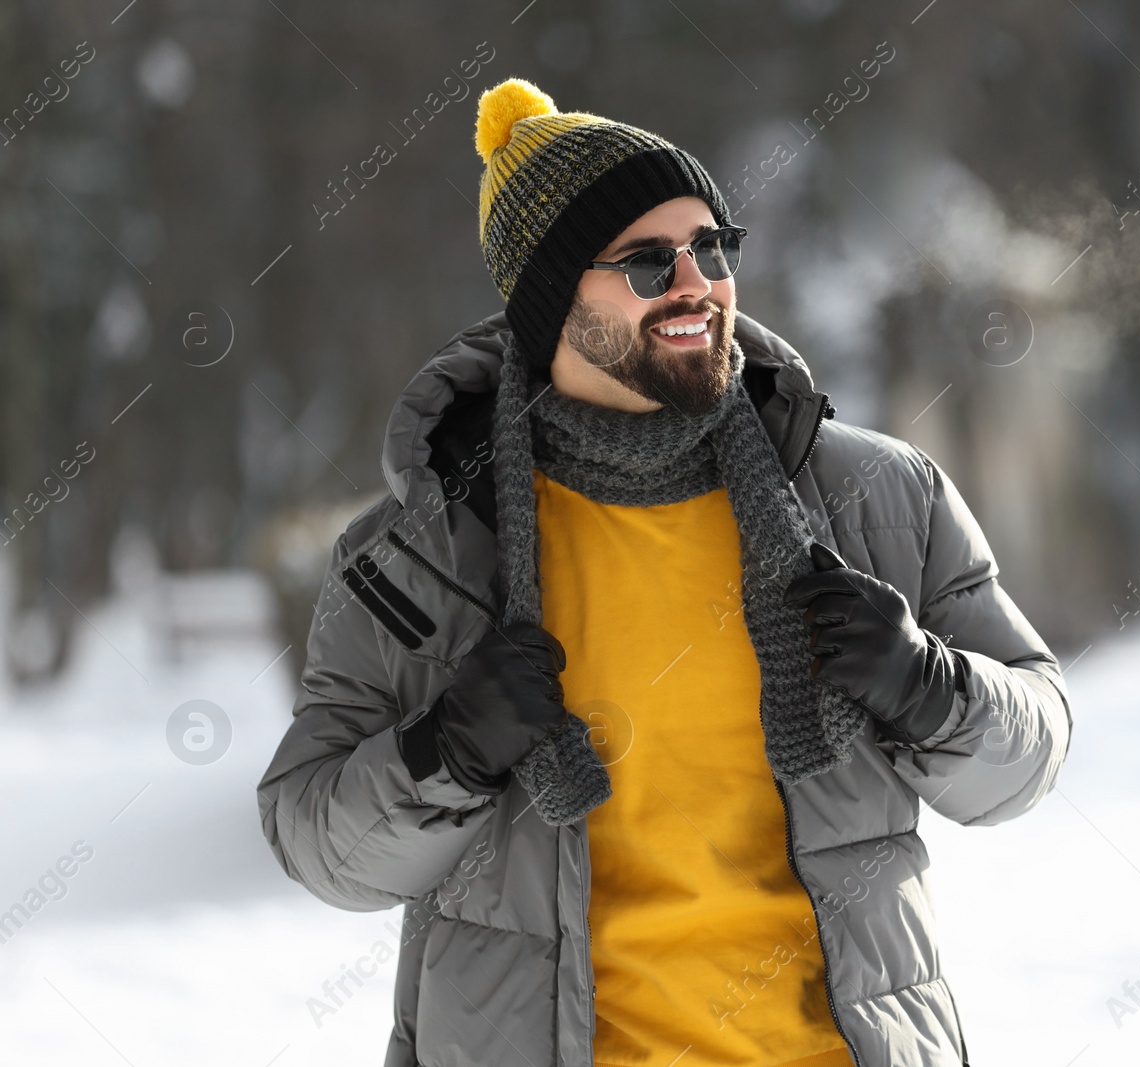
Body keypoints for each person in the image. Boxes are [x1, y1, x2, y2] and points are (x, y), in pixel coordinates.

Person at [257, 77, 1071, 1067]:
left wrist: (929, 685)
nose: (698, 282)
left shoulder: (875, 497)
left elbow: (1029, 758)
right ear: (553, 296)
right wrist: (447, 749)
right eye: (647, 263)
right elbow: (318, 845)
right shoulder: (423, 548)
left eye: (713, 247)